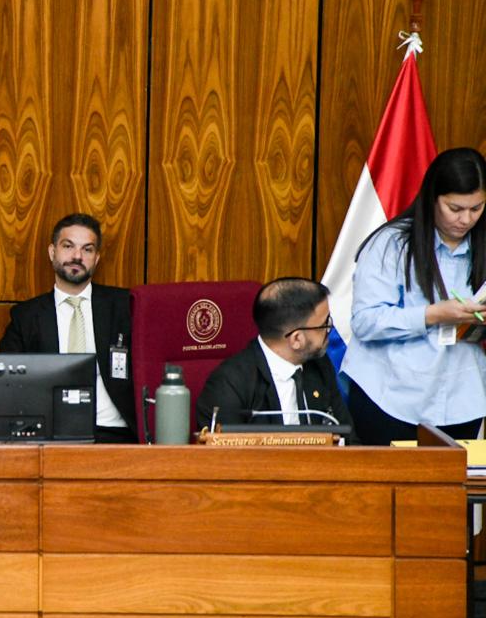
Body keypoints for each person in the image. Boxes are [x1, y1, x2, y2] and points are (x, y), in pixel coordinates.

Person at [342, 147, 486, 445]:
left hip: (462, 396)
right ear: (432, 198)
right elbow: (366, 322)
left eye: (477, 208)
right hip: (390, 396)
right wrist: (433, 314)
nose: (466, 219)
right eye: (455, 208)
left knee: (451, 490)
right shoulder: (391, 244)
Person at [0, 213, 135, 443]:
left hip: (114, 433)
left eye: (88, 249)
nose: (77, 256)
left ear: (97, 258)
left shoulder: (124, 307)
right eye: (68, 246)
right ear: (52, 252)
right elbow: (6, 382)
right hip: (49, 434)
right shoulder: (26, 316)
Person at [196, 277, 354, 442]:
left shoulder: (320, 366)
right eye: (324, 325)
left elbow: (348, 439)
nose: (329, 330)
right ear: (296, 339)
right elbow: (225, 458)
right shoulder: (228, 384)